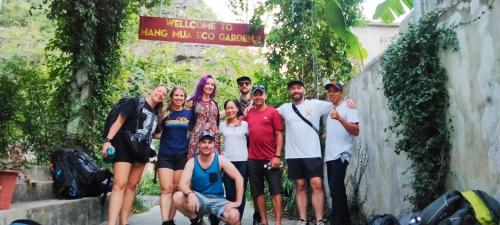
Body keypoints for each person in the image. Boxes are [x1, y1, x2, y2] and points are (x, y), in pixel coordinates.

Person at [101, 85, 167, 225]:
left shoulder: (157, 114)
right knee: (120, 184)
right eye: (159, 90)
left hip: (141, 151)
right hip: (124, 147)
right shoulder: (135, 102)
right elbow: (119, 122)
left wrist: (178, 132)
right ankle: (111, 223)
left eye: (164, 94)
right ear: (152, 90)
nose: (161, 94)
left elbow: (155, 134)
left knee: (132, 186)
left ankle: (124, 221)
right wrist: (107, 141)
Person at [277, 80, 332, 225]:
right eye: (292, 88)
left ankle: (319, 220)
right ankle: (303, 219)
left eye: (298, 88)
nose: (296, 90)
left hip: (312, 153)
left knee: (317, 184)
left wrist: (349, 101)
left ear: (304, 90)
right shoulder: (284, 108)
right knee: (300, 185)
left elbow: (336, 105)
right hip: (293, 154)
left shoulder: (315, 104)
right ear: (289, 92)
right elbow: (268, 115)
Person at [173, 131, 244, 225]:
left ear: (214, 144)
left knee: (234, 215)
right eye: (204, 142)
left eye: (209, 142)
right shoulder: (192, 162)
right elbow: (182, 184)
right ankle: (196, 221)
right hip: (198, 199)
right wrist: (190, 194)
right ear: (199, 144)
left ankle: (215, 216)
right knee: (177, 197)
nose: (206, 145)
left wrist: (238, 202)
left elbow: (239, 177)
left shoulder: (220, 159)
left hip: (217, 200)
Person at [245, 85, 284, 225]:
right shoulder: (248, 114)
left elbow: (279, 134)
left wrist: (277, 155)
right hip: (253, 159)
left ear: (265, 96)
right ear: (252, 97)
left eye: (260, 94)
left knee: (276, 190)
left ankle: (278, 222)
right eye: (255, 94)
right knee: (258, 192)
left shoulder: (273, 112)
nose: (258, 97)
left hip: (270, 158)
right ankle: (264, 221)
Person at [155, 86, 193, 225]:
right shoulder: (164, 113)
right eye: (176, 95)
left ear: (184, 98)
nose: (178, 98)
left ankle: (170, 220)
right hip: (165, 155)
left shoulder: (189, 114)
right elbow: (154, 132)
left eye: (181, 96)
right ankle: (165, 221)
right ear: (171, 97)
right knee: (166, 189)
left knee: (176, 189)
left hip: (182, 156)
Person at [324, 81, 359, 225]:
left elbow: (355, 130)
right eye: (329, 91)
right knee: (336, 191)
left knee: (336, 191)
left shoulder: (349, 107)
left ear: (342, 93)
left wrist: (339, 118)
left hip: (341, 155)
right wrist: (326, 135)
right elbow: (335, 131)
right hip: (331, 157)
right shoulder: (331, 109)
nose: (331, 93)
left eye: (335, 91)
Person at [219, 99, 249, 220]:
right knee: (230, 193)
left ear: (237, 109)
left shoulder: (245, 125)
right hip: (227, 163)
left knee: (240, 193)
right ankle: (231, 219)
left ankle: (238, 220)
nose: (230, 110)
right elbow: (216, 143)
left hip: (242, 162)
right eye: (227, 108)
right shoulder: (221, 125)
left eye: (232, 108)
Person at [187, 74, 221, 158]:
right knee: (195, 165)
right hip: (197, 139)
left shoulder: (215, 104)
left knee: (213, 165)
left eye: (212, 84)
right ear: (202, 85)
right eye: (207, 83)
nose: (210, 86)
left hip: (213, 139)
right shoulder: (193, 102)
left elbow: (216, 120)